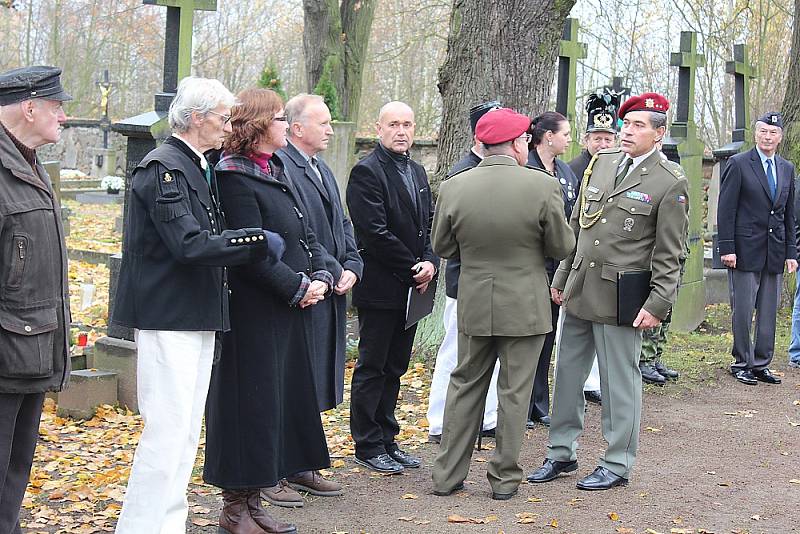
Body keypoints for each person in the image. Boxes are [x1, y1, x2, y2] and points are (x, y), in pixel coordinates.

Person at [112, 77, 283, 534]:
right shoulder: (162, 167)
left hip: (197, 313)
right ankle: (143, 527)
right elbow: (188, 244)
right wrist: (255, 241)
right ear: (196, 117)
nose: (229, 127)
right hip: (169, 315)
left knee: (186, 431)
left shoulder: (196, 165)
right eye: (223, 118)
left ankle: (167, 524)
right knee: (166, 432)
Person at [528, 93, 689, 491]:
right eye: (626, 124)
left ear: (659, 133)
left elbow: (671, 252)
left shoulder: (670, 181)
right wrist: (562, 276)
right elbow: (578, 228)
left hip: (623, 296)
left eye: (638, 126)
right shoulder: (601, 164)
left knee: (619, 383)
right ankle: (561, 452)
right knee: (566, 375)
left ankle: (616, 462)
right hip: (582, 286)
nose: (627, 132)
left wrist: (658, 303)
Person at [203, 88, 336, 533]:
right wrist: (296, 286)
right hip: (254, 314)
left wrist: (319, 274)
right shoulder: (234, 177)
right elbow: (251, 251)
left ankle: (255, 501)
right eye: (279, 118)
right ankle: (235, 508)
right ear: (260, 126)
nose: (285, 125)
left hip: (287, 309)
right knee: (250, 407)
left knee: (276, 405)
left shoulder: (274, 168)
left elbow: (304, 230)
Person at [430, 107, 575, 500]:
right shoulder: (543, 186)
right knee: (515, 391)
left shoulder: (454, 186)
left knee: (464, 384)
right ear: (516, 143)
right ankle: (504, 479)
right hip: (526, 304)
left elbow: (442, 246)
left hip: (475, 299)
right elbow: (562, 246)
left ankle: (446, 474)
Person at [346, 101, 437, 474]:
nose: (402, 132)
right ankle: (367, 444)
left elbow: (427, 224)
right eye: (394, 124)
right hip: (383, 285)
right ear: (379, 128)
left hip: (415, 286)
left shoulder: (416, 171)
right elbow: (374, 232)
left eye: (408, 125)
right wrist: (412, 267)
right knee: (373, 365)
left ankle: (388, 437)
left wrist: (430, 260)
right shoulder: (366, 172)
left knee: (396, 366)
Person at [0, 65, 71, 534]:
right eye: (57, 107)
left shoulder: (27, 163)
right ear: (29, 106)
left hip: (29, 347)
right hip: (6, 350)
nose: (64, 117)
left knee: (12, 474)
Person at [278, 94, 363, 414]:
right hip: (311, 282)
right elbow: (302, 231)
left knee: (322, 375)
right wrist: (333, 269)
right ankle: (297, 459)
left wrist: (354, 263)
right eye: (323, 123)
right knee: (302, 375)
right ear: (297, 128)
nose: (330, 130)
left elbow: (341, 221)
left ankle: (308, 454)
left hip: (334, 284)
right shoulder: (284, 167)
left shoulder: (321, 168)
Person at [426, 100, 502, 444]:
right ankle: (440, 420)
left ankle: (485, 417)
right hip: (466, 278)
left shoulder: (498, 171)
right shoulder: (462, 173)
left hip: (494, 280)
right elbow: (447, 236)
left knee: (492, 355)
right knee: (455, 352)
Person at [718, 112, 797, 385]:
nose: (767, 137)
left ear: (780, 137)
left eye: (773, 133)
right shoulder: (739, 164)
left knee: (768, 309)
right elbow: (726, 209)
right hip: (744, 249)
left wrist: (791, 252)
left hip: (774, 251)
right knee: (743, 308)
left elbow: (789, 213)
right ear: (756, 133)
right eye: (763, 131)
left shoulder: (786, 168)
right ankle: (742, 362)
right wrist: (727, 247)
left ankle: (761, 363)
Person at [567, 89, 624, 403]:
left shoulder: (618, 170)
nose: (603, 145)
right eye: (597, 138)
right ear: (585, 139)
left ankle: (594, 383)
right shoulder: (574, 171)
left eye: (608, 139)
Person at [524, 111, 579, 428]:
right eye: (566, 134)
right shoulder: (526, 167)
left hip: (555, 268)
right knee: (527, 338)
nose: (569, 139)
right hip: (531, 265)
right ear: (548, 136)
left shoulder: (566, 173)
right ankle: (521, 402)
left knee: (547, 336)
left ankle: (539, 403)